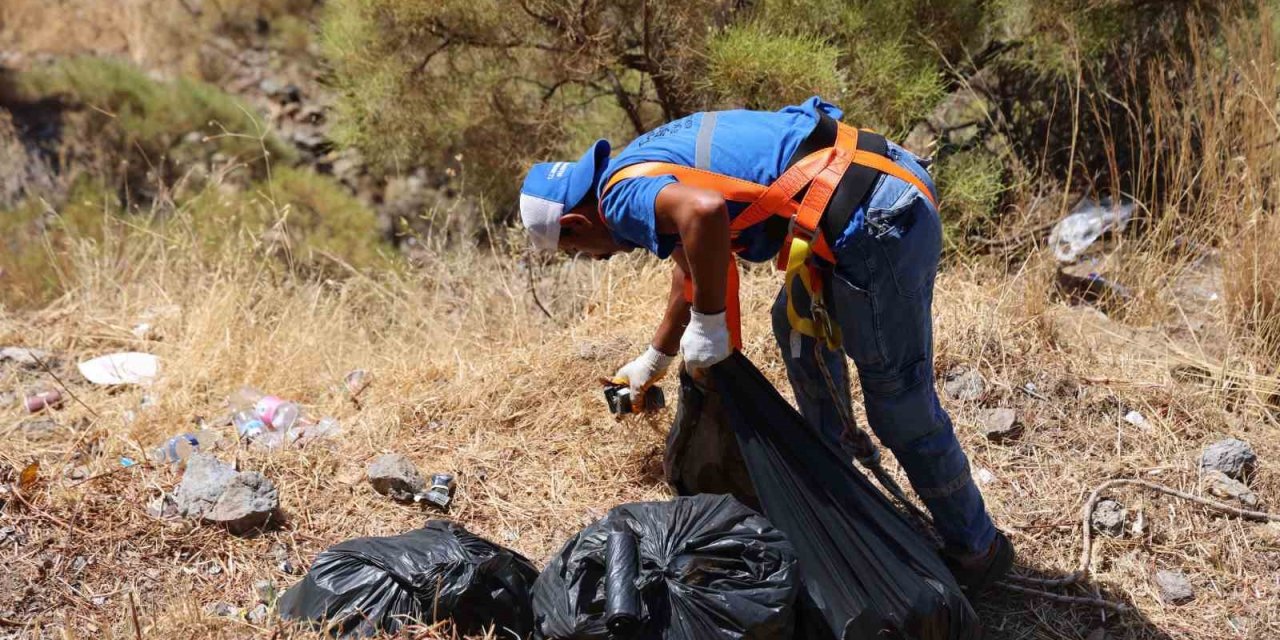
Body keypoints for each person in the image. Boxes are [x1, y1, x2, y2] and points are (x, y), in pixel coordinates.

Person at [518, 96, 1012, 592]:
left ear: (575, 226)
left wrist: (711, 324)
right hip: (868, 182)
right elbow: (689, 263)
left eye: (578, 252)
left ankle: (977, 549)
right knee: (795, 330)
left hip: (877, 218)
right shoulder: (630, 167)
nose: (595, 259)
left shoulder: (619, 202)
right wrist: (656, 356)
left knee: (899, 404)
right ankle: (838, 492)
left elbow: (705, 212)